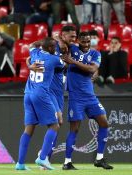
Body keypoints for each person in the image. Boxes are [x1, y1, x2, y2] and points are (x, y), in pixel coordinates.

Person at [61, 31, 113, 170]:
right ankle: (67, 162)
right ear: (78, 41)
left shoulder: (96, 54)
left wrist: (72, 62)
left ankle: (99, 159)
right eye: (83, 42)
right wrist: (64, 41)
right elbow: (58, 39)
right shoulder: (72, 49)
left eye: (88, 41)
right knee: (75, 129)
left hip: (90, 97)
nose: (86, 44)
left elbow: (91, 69)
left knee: (104, 123)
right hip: (75, 97)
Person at [26, 25, 77, 164]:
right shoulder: (55, 45)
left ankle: (45, 157)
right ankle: (43, 156)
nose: (74, 39)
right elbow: (35, 49)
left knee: (58, 123)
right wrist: (29, 64)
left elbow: (63, 65)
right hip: (49, 91)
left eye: (75, 36)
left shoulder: (69, 48)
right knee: (56, 122)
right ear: (63, 35)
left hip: (59, 91)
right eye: (71, 36)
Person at [15, 37, 64, 170]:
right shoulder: (54, 59)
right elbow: (63, 64)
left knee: (28, 129)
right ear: (49, 48)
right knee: (54, 126)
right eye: (54, 46)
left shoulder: (35, 53)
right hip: (41, 94)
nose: (56, 48)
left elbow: (31, 44)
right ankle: (42, 158)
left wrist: (28, 63)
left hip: (28, 94)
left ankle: (20, 164)